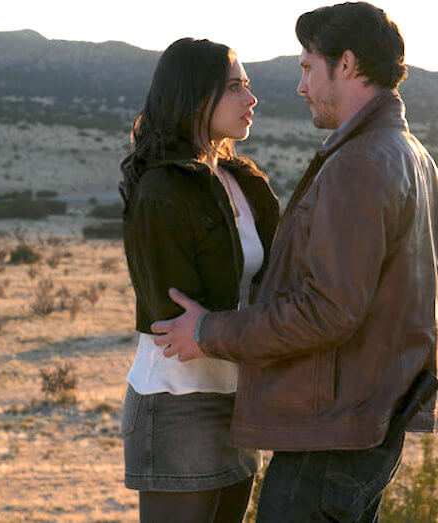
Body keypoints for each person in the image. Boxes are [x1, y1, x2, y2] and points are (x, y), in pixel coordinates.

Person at [152, 3, 438, 521]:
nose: (300, 85)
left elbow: (328, 310)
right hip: (368, 421)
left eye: (308, 66)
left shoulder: (360, 162)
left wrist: (210, 332)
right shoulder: (413, 155)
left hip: (331, 435)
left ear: (348, 64)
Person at [118, 37, 279, 522]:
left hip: (239, 398)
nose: (250, 99)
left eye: (247, 86)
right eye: (234, 87)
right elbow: (175, 321)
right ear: (193, 96)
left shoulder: (243, 181)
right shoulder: (162, 187)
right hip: (177, 402)